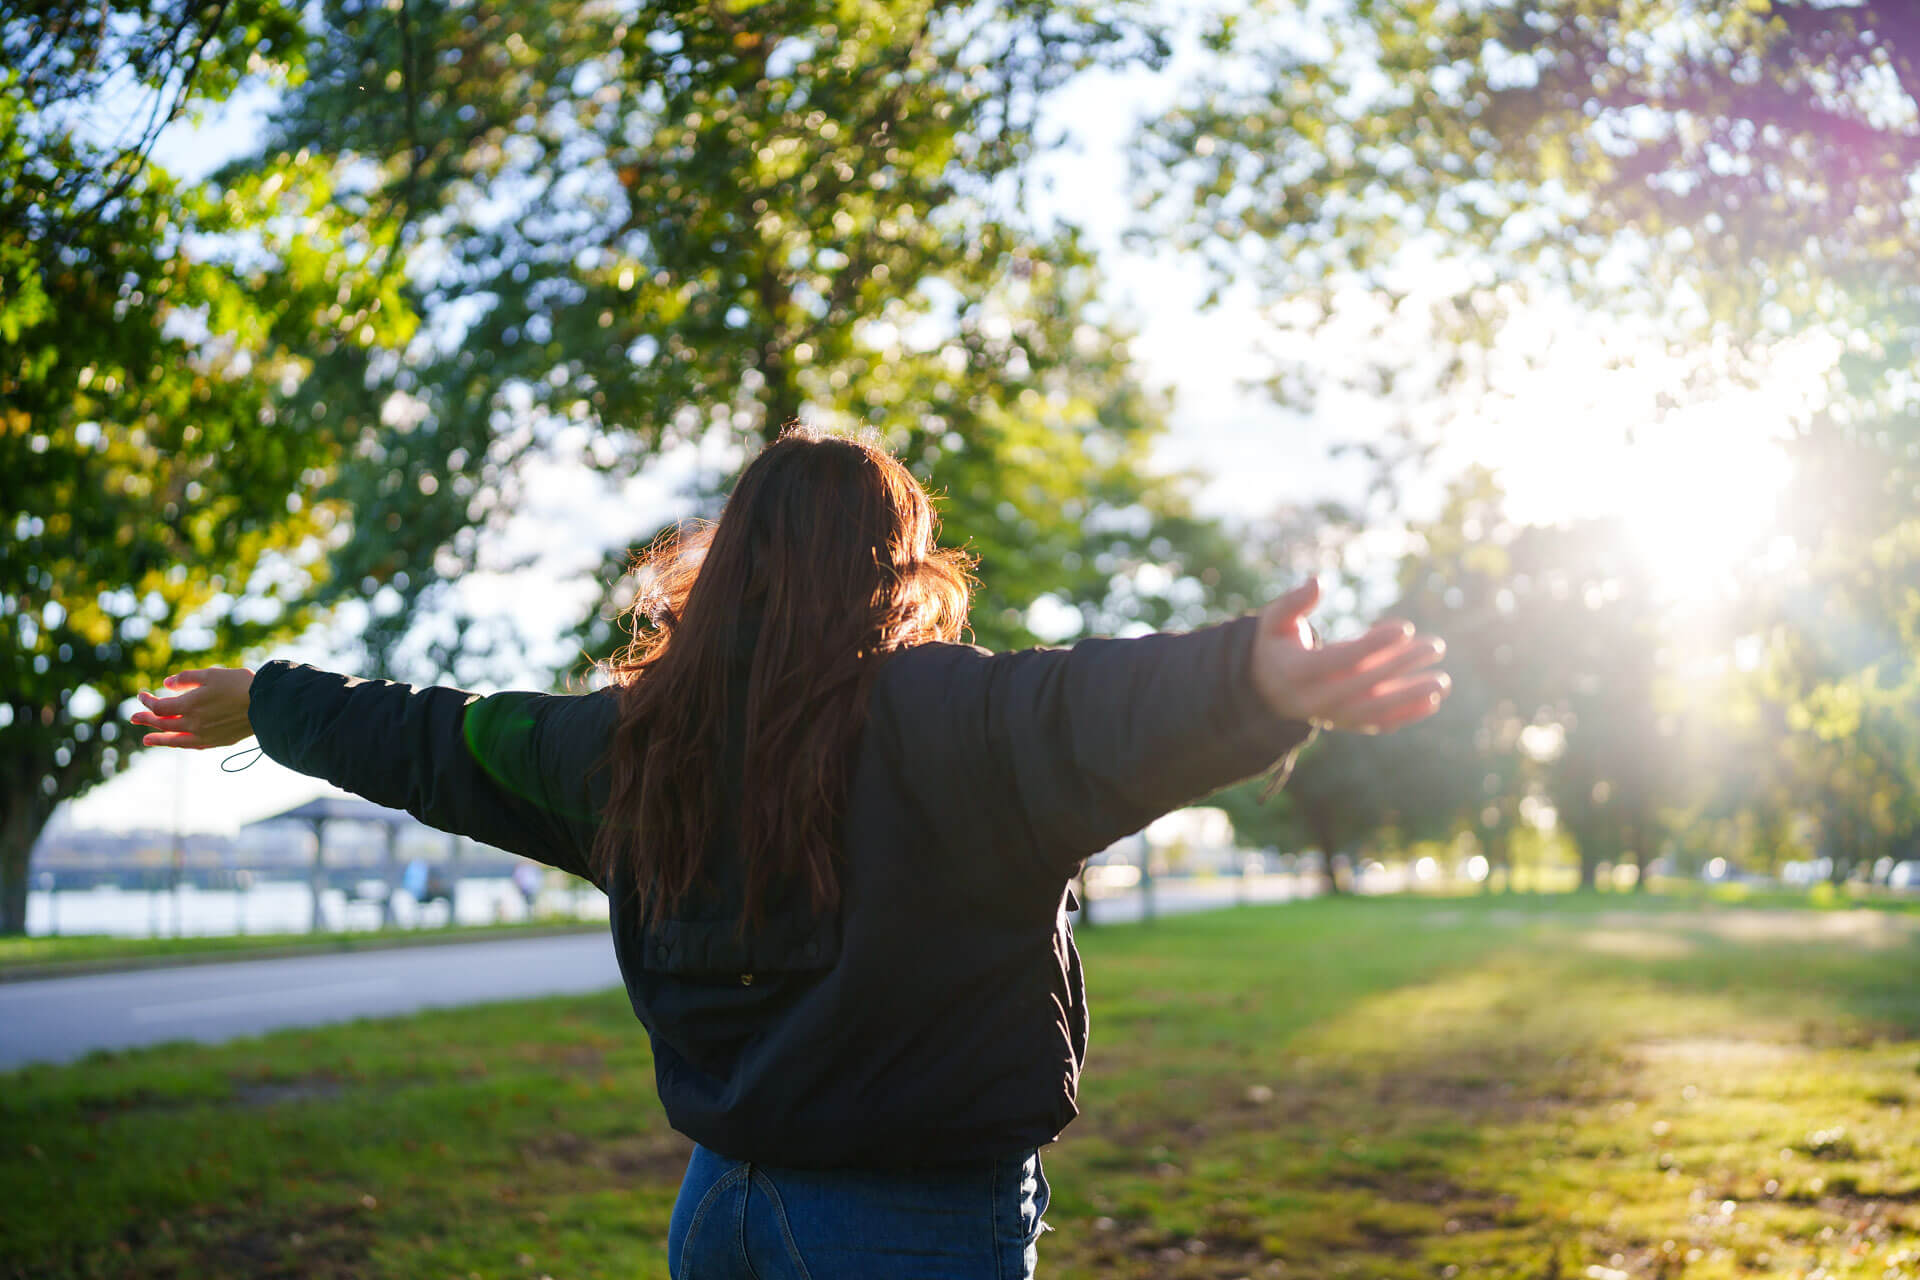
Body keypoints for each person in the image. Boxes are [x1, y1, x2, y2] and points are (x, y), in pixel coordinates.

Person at [130, 426, 1450, 1280]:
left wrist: (267, 700)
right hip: (912, 1225)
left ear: (737, 561)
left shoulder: (624, 745)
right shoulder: (941, 717)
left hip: (725, 1213)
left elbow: (433, 736)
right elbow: (1090, 707)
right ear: (897, 565)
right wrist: (1256, 679)